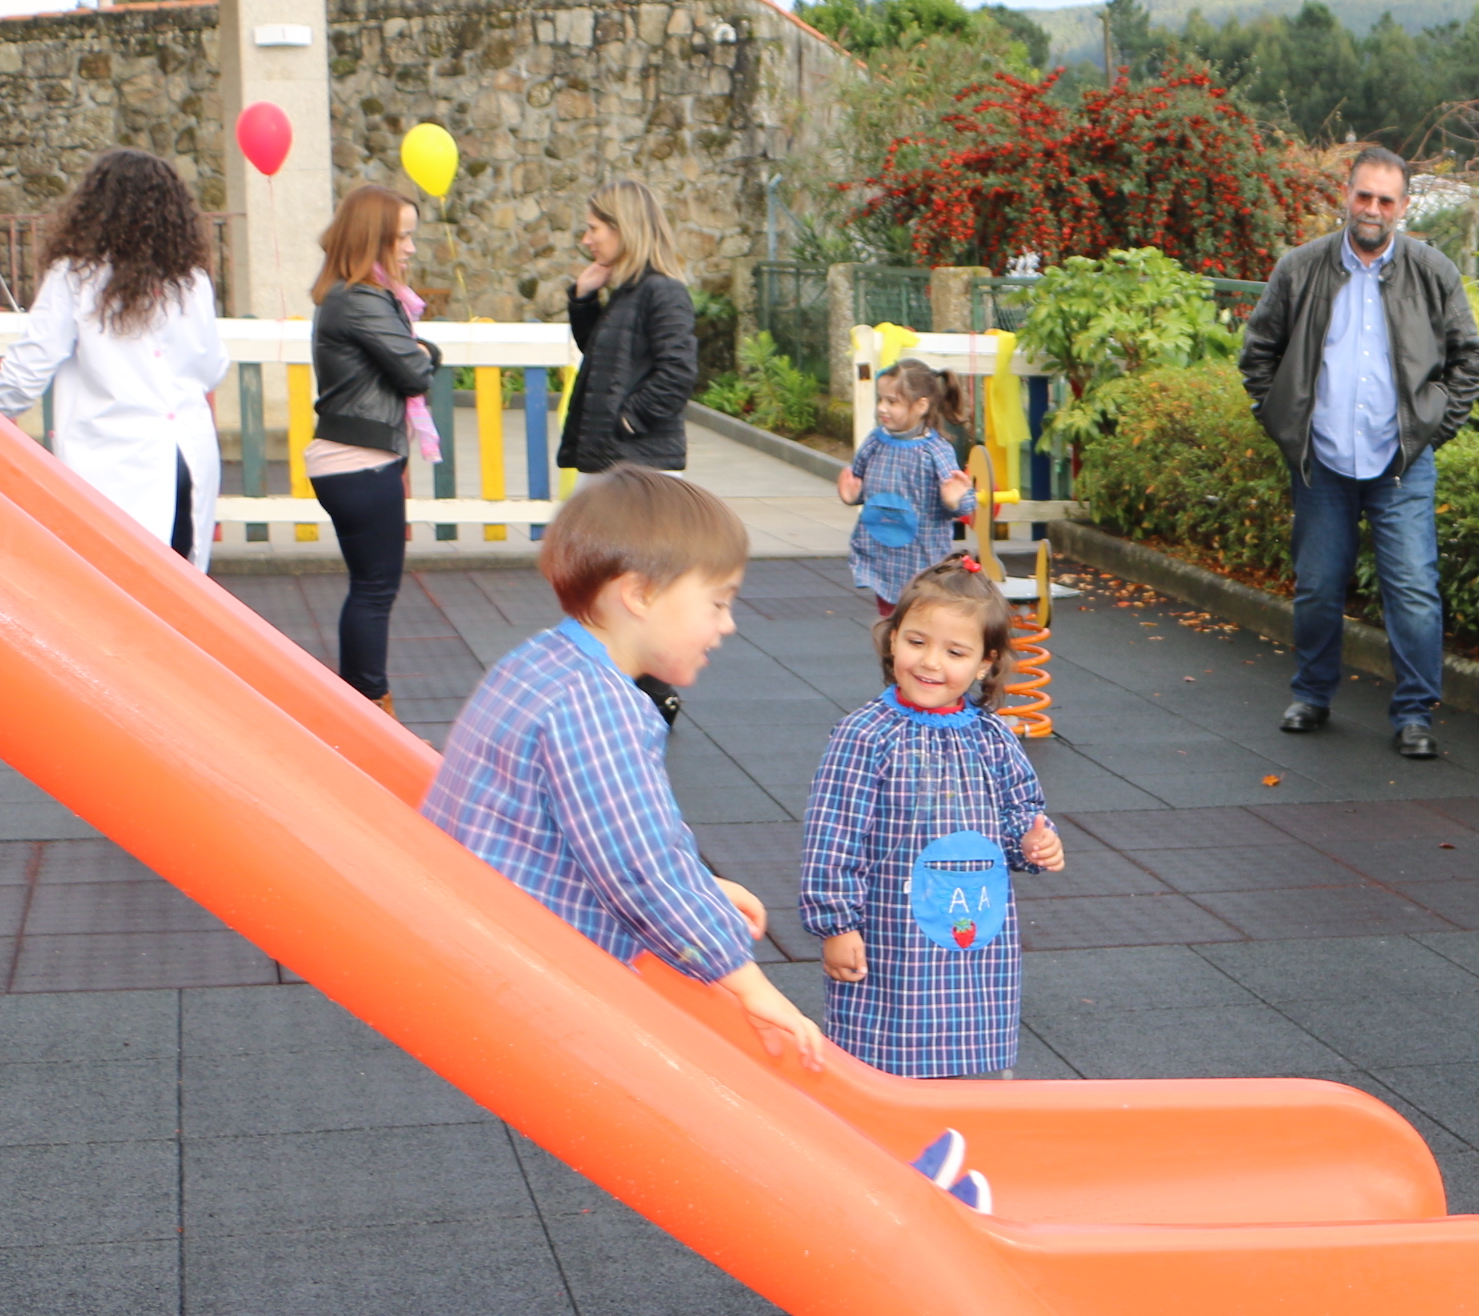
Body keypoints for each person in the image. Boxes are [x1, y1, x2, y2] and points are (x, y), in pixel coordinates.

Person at [422, 468, 829, 1072]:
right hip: (540, 974)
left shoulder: (538, 663)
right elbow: (641, 867)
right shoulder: (600, 708)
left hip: (485, 925)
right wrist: (748, 983)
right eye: (716, 602)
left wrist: (704, 891)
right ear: (638, 594)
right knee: (700, 1072)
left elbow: (589, 835)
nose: (728, 623)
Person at [1238, 144, 1479, 759]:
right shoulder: (1300, 268)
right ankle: (1312, 694)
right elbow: (1259, 352)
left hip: (1400, 462)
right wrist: (1283, 422)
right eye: (1363, 195)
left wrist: (1432, 427)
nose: (1372, 208)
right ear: (1345, 197)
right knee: (1319, 586)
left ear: (1403, 206)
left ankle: (1414, 715)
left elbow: (1469, 359)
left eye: (1385, 199)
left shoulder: (1433, 272)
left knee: (1412, 590)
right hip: (1321, 460)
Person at [803, 561, 1066, 1079]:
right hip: (891, 939)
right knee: (883, 1057)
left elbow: (1020, 815)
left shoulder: (992, 737)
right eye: (917, 642)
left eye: (955, 652)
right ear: (892, 639)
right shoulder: (867, 736)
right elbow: (833, 835)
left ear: (986, 665)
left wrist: (1036, 843)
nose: (930, 662)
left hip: (975, 941)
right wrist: (837, 924)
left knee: (972, 1057)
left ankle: (965, 1125)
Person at [0, 148, 231, 567]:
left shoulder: (75, 276)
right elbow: (212, 368)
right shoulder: (191, 280)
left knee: (116, 588)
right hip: (186, 454)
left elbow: (32, 364)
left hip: (111, 460)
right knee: (181, 590)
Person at [306, 185, 442, 714]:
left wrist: (419, 350)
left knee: (369, 587)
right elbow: (413, 369)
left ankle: (363, 701)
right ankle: (369, 706)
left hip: (354, 459)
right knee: (374, 590)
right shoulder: (360, 298)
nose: (409, 248)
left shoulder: (352, 295)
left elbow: (409, 361)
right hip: (360, 462)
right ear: (374, 239)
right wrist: (425, 350)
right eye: (402, 236)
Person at [563, 180, 700, 479]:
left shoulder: (663, 291)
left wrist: (629, 419)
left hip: (640, 465)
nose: (587, 240)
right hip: (612, 460)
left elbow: (679, 371)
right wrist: (584, 299)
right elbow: (605, 361)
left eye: (594, 229)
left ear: (622, 228)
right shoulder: (630, 291)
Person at [838, 360, 979, 616]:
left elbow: (965, 503)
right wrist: (852, 496)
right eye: (881, 400)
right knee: (890, 621)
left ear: (921, 406)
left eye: (892, 402)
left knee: (918, 620)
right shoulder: (875, 441)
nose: (882, 408)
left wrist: (952, 500)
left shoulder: (935, 451)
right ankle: (890, 654)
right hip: (882, 554)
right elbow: (863, 487)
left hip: (921, 561)